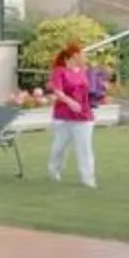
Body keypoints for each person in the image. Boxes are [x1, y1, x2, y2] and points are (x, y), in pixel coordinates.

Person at [44, 45, 102, 188]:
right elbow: (58, 91)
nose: (83, 56)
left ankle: (87, 179)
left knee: (84, 148)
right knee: (59, 147)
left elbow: (91, 90)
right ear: (72, 56)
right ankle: (54, 171)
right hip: (63, 116)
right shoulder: (59, 71)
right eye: (80, 54)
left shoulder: (84, 71)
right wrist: (70, 102)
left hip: (83, 115)